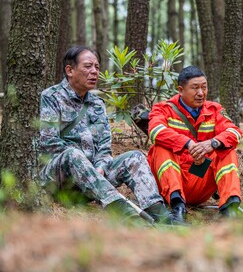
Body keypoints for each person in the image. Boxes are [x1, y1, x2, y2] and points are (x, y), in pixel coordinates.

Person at [39, 46, 179, 225]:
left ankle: (159, 214)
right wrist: (84, 164)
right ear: (70, 70)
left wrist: (101, 167)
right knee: (73, 154)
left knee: (134, 157)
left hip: (94, 182)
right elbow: (49, 142)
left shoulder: (97, 104)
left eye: (97, 67)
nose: (94, 72)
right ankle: (127, 214)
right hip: (61, 179)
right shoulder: (51, 97)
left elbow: (104, 147)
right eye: (88, 66)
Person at [147, 66, 242, 221]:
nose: (201, 93)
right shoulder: (163, 109)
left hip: (199, 179)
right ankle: (177, 208)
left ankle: (229, 209)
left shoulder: (215, 109)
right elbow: (155, 132)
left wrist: (213, 143)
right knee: (160, 148)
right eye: (195, 88)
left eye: (204, 87)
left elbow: (234, 132)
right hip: (169, 183)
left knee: (227, 150)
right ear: (180, 90)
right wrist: (188, 144)